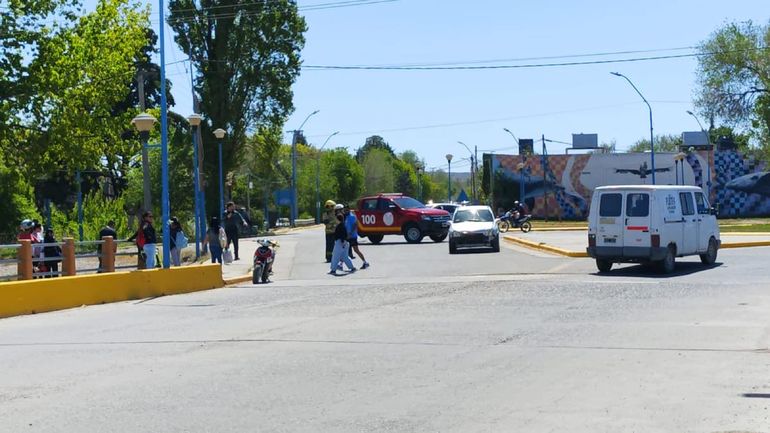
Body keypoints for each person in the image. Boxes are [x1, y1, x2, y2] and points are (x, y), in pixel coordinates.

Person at [344, 204, 369, 269]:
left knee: (356, 250)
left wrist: (350, 234)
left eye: (346, 209)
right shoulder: (345, 216)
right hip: (347, 236)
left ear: (349, 209)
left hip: (352, 236)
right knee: (344, 250)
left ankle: (365, 262)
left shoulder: (352, 216)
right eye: (345, 210)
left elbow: (355, 225)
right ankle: (341, 264)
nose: (345, 211)